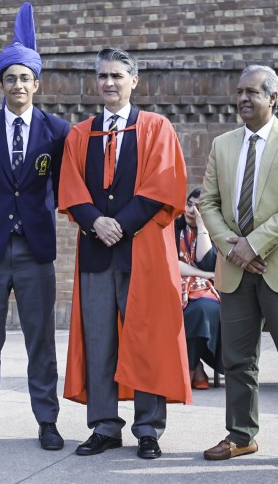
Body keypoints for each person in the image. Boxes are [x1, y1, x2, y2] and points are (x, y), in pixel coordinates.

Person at [58, 48, 191, 460]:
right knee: (99, 341)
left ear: (134, 80)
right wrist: (96, 222)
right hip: (96, 253)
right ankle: (104, 426)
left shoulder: (155, 127)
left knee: (146, 339)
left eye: (117, 75)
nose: (109, 82)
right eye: (102, 76)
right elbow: (70, 187)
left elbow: (163, 184)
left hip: (144, 254)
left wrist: (120, 224)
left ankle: (148, 429)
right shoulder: (81, 134)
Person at [0, 2, 69, 451]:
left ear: (37, 83)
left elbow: (61, 185)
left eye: (25, 78)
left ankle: (47, 421)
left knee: (41, 342)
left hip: (35, 251)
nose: (18, 84)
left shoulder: (56, 131)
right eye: (10, 78)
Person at [199, 65, 278, 472]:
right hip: (235, 268)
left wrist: (253, 244)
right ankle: (240, 435)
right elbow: (208, 202)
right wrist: (232, 247)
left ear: (273, 98)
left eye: (251, 92)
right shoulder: (222, 144)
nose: (242, 99)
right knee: (237, 359)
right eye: (239, 92)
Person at [175, 187, 223, 390]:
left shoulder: (218, 233)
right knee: (182, 311)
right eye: (189, 205)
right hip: (176, 285)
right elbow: (172, 263)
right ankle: (195, 369)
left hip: (209, 290)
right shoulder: (174, 228)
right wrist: (204, 275)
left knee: (204, 309)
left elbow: (207, 261)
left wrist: (203, 224)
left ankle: (190, 370)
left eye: (199, 208)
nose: (191, 211)